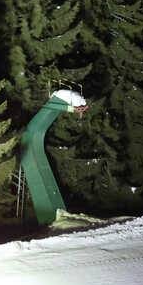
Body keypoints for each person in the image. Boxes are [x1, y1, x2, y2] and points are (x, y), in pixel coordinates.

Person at [19, 90, 85, 227]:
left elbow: (56, 108)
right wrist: (72, 109)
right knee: (39, 175)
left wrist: (75, 108)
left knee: (42, 169)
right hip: (28, 140)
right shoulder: (54, 102)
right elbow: (55, 107)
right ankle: (48, 218)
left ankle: (53, 215)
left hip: (31, 139)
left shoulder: (56, 102)